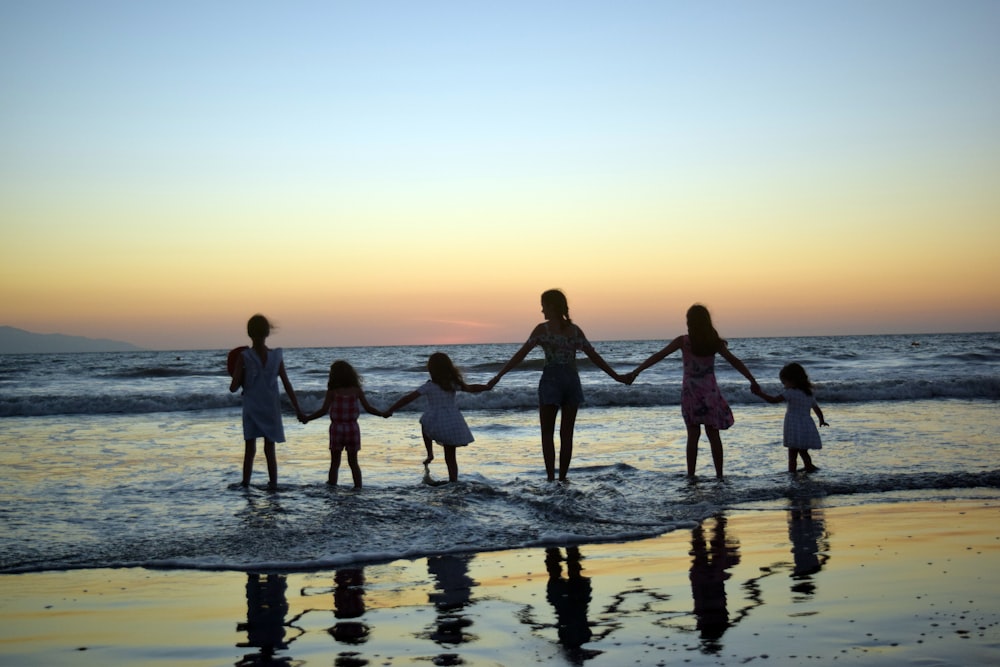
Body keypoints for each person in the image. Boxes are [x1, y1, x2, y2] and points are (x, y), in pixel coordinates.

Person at [488, 289, 627, 482]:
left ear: (551, 306)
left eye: (543, 305)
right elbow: (594, 356)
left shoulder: (542, 330)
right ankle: (562, 477)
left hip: (551, 382)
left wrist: (499, 376)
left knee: (547, 433)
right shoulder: (575, 330)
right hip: (571, 381)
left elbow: (521, 354)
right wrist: (616, 376)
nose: (541, 310)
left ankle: (550, 478)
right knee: (566, 434)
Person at [625, 304, 759, 478]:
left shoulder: (683, 341)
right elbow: (734, 361)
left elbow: (658, 356)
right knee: (713, 435)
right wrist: (752, 380)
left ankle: (691, 476)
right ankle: (719, 475)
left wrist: (636, 371)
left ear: (690, 322)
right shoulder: (713, 343)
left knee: (693, 436)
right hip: (710, 393)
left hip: (691, 394)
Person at [385, 352, 490, 483]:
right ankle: (453, 481)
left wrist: (391, 409)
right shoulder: (452, 384)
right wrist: (487, 386)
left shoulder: (429, 386)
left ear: (431, 370)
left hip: (436, 419)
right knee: (451, 457)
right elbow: (471, 388)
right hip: (453, 421)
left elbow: (409, 398)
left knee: (424, 423)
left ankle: (429, 453)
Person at [229, 314, 303, 489]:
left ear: (249, 333)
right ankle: (273, 483)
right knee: (270, 449)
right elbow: (287, 383)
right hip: (270, 407)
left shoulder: (244, 356)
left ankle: (246, 482)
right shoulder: (276, 356)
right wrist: (297, 408)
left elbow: (233, 387)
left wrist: (236, 374)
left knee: (250, 448)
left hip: (252, 407)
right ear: (267, 333)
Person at [302, 360, 386, 488]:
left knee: (335, 463)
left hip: (337, 428)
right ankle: (358, 487)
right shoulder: (356, 390)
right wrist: (382, 414)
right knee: (353, 462)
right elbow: (368, 408)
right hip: (352, 428)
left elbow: (323, 410)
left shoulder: (333, 391)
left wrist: (308, 418)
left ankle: (332, 486)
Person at [752, 362, 829, 473]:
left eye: (784, 383)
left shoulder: (790, 393)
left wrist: (760, 394)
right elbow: (816, 408)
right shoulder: (808, 393)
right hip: (806, 426)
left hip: (794, 426)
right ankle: (809, 467)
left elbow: (773, 400)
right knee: (803, 451)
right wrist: (821, 420)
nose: (784, 386)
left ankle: (792, 473)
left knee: (792, 454)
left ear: (792, 380)